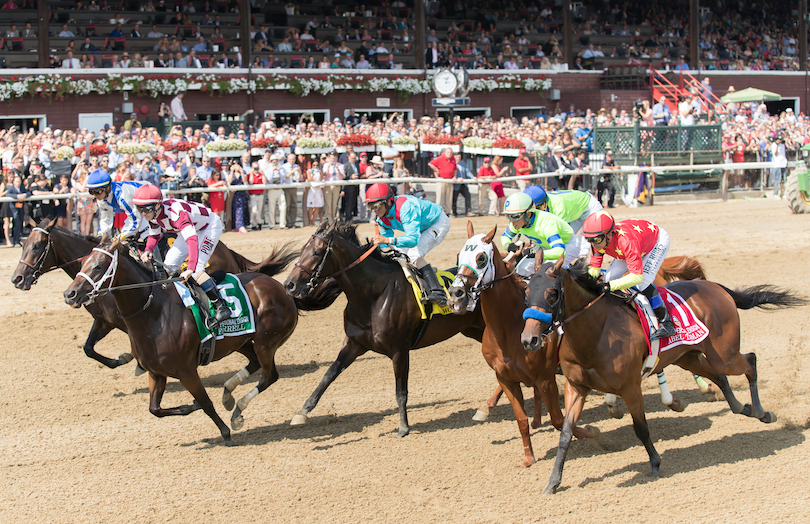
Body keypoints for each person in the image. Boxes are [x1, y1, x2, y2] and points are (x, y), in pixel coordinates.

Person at [133, 184, 231, 329]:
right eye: (140, 209)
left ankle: (221, 307)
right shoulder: (153, 214)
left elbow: (192, 240)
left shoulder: (175, 213)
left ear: (158, 205)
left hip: (209, 227)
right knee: (169, 264)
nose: (143, 213)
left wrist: (190, 267)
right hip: (193, 228)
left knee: (197, 268)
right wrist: (148, 250)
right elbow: (155, 235)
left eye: (147, 209)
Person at [581, 210, 677, 339]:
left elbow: (636, 276)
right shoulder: (599, 241)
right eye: (589, 240)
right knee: (608, 278)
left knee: (642, 283)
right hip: (631, 244)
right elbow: (594, 268)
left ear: (609, 235)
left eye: (596, 240)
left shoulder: (626, 242)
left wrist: (610, 286)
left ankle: (666, 322)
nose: (593, 244)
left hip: (655, 242)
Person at [365, 182, 449, 305]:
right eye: (370, 206)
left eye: (376, 206)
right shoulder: (382, 218)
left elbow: (412, 240)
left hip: (437, 223)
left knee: (414, 252)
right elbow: (386, 246)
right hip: (420, 228)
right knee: (398, 254)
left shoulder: (406, 207)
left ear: (388, 202)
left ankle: (438, 292)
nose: (374, 210)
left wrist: (388, 240)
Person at [523, 185, 603, 266]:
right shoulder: (545, 203)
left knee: (584, 242)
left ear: (543, 204)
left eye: (536, 209)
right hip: (574, 212)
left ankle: (583, 262)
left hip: (590, 208)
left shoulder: (559, 207)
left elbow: (562, 236)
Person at [499, 192, 574, 265]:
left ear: (528, 214)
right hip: (544, 245)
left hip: (566, 245)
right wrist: (507, 245)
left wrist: (535, 253)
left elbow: (560, 252)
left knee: (548, 271)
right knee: (522, 269)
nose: (512, 221)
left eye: (515, 216)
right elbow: (505, 236)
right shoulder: (517, 222)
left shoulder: (546, 224)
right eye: (508, 216)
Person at [85, 168, 144, 238]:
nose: (95, 195)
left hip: (149, 204)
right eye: (91, 192)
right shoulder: (101, 200)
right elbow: (105, 220)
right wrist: (100, 234)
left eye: (98, 192)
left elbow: (136, 222)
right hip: (138, 210)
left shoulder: (122, 196)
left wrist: (119, 237)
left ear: (107, 188)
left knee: (145, 236)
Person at [428, 147, 456, 215]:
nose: (449, 154)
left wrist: (454, 176)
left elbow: (455, 168)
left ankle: (448, 211)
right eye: (448, 153)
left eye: (451, 153)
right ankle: (438, 212)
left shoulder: (453, 159)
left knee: (449, 197)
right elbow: (430, 163)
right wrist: (436, 169)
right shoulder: (440, 158)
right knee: (440, 196)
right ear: (445, 153)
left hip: (449, 180)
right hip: (441, 179)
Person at [451, 152, 475, 217]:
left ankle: (468, 211)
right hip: (456, 184)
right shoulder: (452, 164)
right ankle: (454, 212)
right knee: (454, 199)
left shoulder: (463, 163)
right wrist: (457, 178)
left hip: (463, 184)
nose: (458, 158)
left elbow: (467, 171)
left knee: (467, 195)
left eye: (459, 157)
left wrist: (473, 177)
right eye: (456, 157)